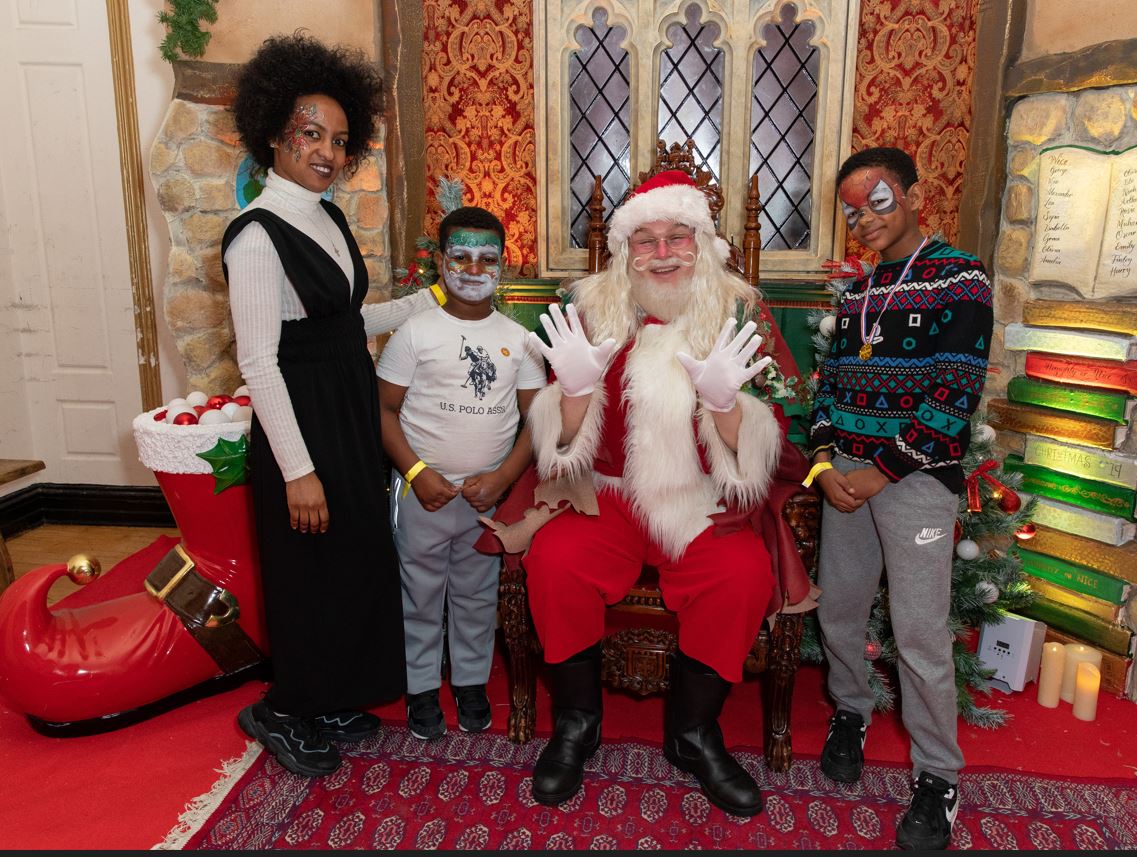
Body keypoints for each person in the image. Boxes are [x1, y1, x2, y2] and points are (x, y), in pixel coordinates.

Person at [502, 169, 799, 817]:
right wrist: (573, 396)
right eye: (645, 240)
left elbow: (773, 438)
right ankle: (577, 721)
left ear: (703, 242)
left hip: (698, 496)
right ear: (623, 251)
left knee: (744, 572)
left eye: (676, 236)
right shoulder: (591, 309)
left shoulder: (742, 311)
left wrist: (726, 408)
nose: (661, 253)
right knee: (554, 562)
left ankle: (691, 733)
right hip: (604, 493)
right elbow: (557, 452)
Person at [223, 33, 444, 777]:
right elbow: (259, 360)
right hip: (302, 425)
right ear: (274, 133)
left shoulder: (326, 215)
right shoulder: (254, 237)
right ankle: (283, 706)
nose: (326, 151)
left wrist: (432, 300)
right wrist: (297, 470)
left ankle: (330, 693)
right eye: (310, 133)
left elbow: (346, 322)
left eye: (340, 140)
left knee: (352, 560)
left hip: (347, 410)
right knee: (307, 574)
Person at [807, 146, 993, 850]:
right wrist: (821, 469)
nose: (863, 219)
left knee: (918, 632)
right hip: (843, 480)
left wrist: (880, 471)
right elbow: (825, 396)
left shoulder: (959, 277)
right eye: (851, 211)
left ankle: (937, 776)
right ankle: (849, 711)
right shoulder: (857, 293)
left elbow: (954, 395)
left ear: (913, 194)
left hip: (912, 481)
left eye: (876, 202)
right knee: (839, 608)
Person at [377, 206, 546, 740]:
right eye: (460, 257)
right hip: (423, 492)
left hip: (486, 499)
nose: (473, 269)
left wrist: (501, 481)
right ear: (440, 264)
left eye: (487, 258)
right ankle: (421, 686)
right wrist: (417, 471)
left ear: (504, 266)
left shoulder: (518, 341)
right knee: (419, 592)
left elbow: (536, 421)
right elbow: (382, 411)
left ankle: (471, 681)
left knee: (477, 592)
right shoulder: (415, 333)